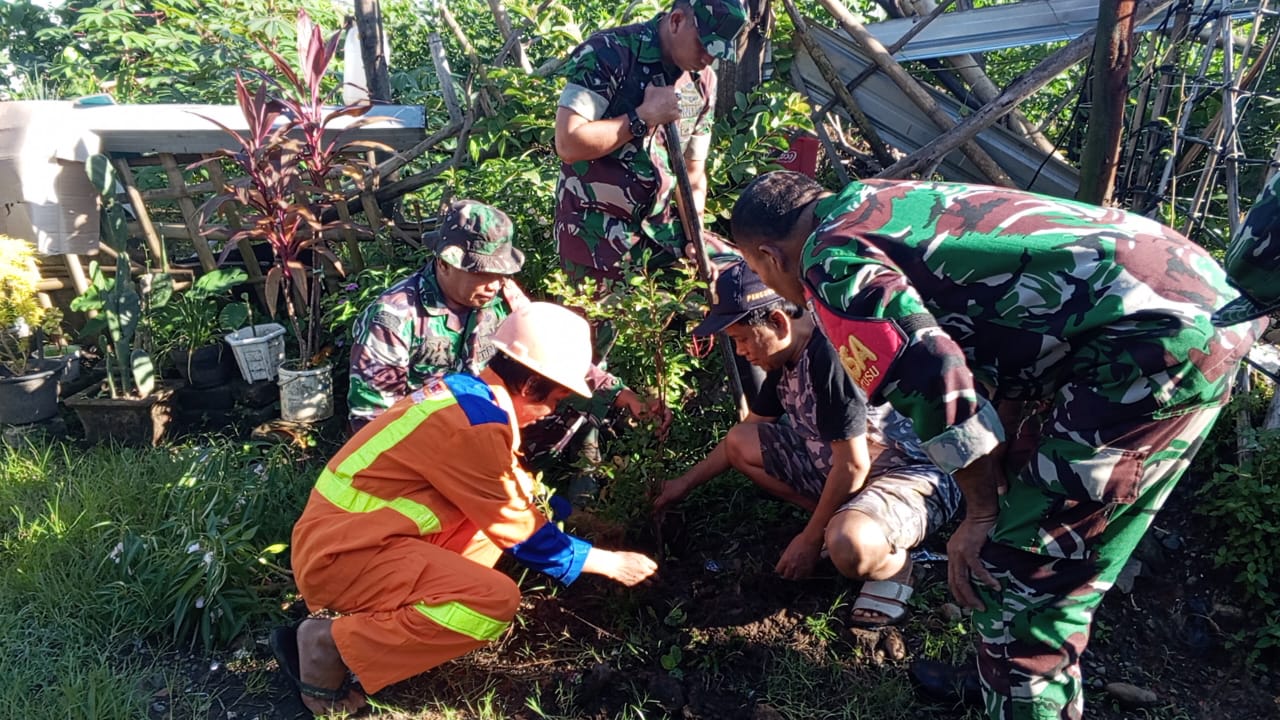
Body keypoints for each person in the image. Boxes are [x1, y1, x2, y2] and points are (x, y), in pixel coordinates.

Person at [729, 171, 1265, 719]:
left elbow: (933, 380)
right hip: (1178, 292)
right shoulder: (872, 200)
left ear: (768, 255)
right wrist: (1004, 455)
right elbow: (996, 326)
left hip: (1148, 347)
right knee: (1024, 530)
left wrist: (980, 510)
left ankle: (1024, 684)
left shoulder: (830, 263)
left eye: (754, 268)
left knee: (1025, 576)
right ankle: (1002, 676)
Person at [275, 302, 660, 716]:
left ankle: (372, 632)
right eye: (555, 399)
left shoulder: (467, 398)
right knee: (492, 602)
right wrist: (611, 564)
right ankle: (326, 644)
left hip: (354, 542)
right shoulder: (471, 428)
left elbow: (514, 494)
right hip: (341, 558)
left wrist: (572, 517)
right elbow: (521, 532)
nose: (551, 412)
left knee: (483, 532)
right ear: (530, 385)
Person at [653, 262, 960, 625]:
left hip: (911, 475)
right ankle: (840, 521)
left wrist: (811, 538)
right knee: (741, 441)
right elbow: (748, 432)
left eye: (742, 338)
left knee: (850, 546)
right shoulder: (784, 358)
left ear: (780, 322)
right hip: (849, 469)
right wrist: (681, 485)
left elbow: (853, 465)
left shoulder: (829, 356)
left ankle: (895, 566)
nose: (740, 351)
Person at [347, 199, 666, 450]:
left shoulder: (504, 297)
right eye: (482, 274)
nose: (493, 285)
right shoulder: (395, 317)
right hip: (430, 436)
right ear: (445, 264)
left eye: (501, 274)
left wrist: (623, 395)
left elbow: (551, 357)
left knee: (573, 406)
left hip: (494, 421)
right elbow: (373, 421)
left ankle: (580, 485)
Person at [553, 0, 748, 282]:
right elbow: (568, 144)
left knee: (740, 281)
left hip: (664, 234)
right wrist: (642, 117)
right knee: (604, 325)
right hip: (597, 238)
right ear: (677, 20)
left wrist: (695, 238)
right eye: (704, 44)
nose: (708, 57)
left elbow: (693, 173)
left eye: (717, 51)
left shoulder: (704, 82)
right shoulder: (609, 52)